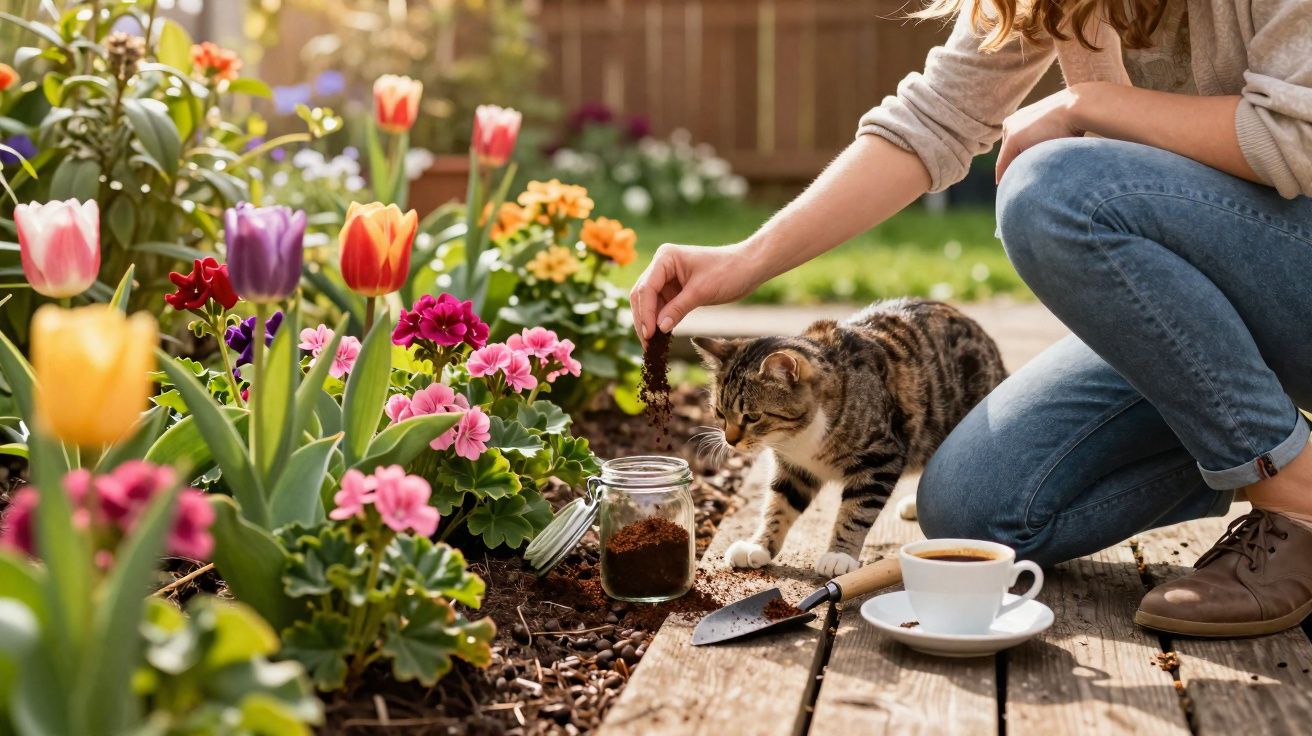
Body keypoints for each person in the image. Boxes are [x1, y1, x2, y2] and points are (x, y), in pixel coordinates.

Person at [629, 0, 1312, 638]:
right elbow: (934, 118)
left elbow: (1295, 135)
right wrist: (743, 262)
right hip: (1208, 309)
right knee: (972, 511)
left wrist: (1090, 103)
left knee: (1054, 190)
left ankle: (1294, 495)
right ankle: (1253, 430)